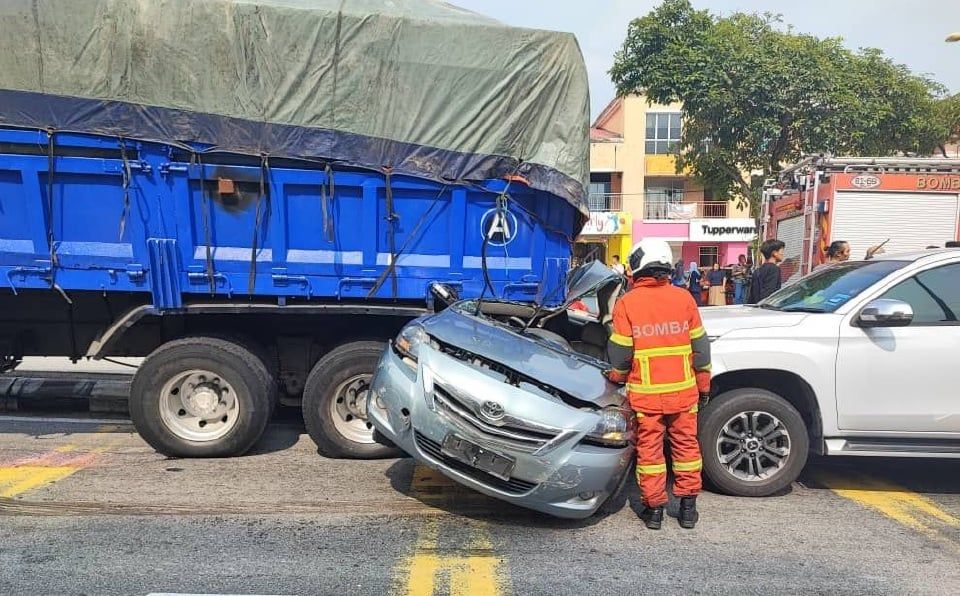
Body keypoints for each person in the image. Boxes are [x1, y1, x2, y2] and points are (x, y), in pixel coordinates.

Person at [605, 238, 711, 530]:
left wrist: (616, 377)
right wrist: (703, 384)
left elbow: (621, 353)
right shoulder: (684, 299)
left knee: (650, 452)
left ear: (638, 267)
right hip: (684, 393)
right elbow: (701, 349)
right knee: (686, 447)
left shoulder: (628, 302)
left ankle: (654, 511)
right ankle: (687, 509)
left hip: (647, 396)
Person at [816, 240, 886, 270]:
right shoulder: (843, 269)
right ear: (838, 254)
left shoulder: (819, 268)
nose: (849, 254)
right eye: (848, 251)